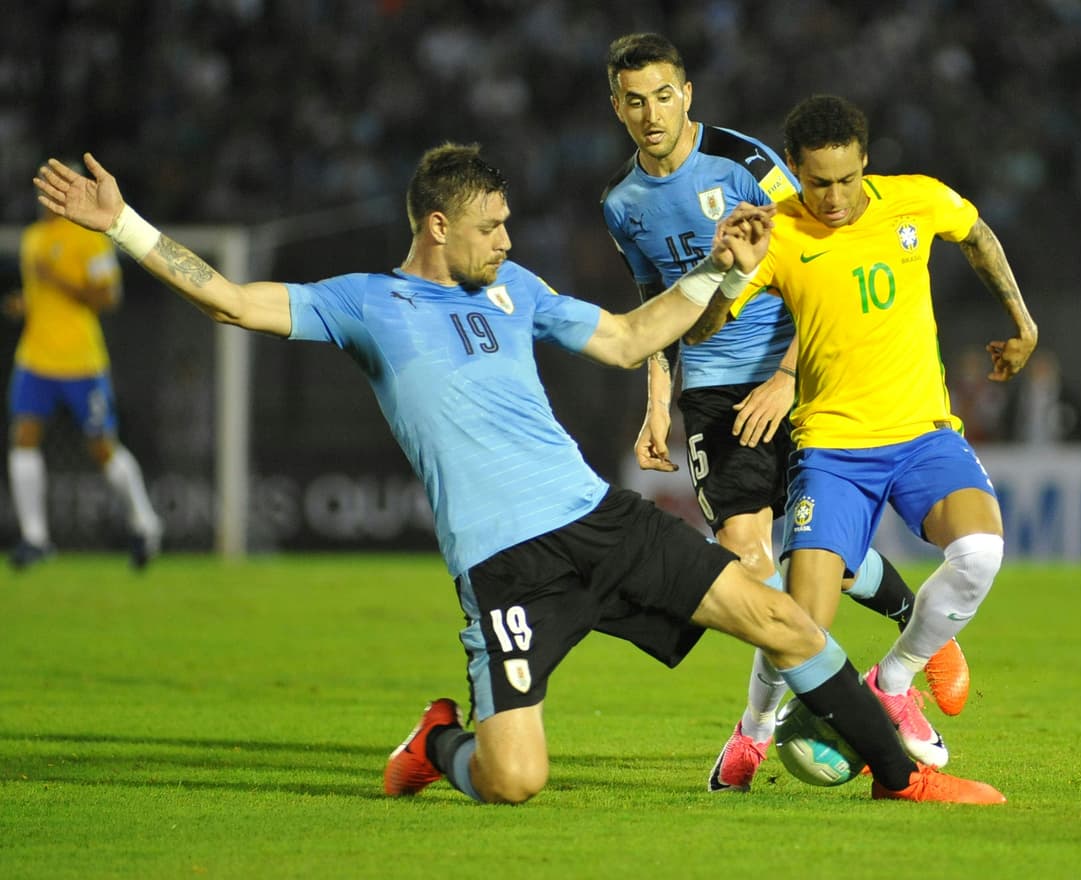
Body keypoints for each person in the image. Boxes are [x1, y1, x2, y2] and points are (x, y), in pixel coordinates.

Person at [36, 147, 1006, 805]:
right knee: (513, 779)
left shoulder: (514, 287)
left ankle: (898, 777)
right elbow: (231, 301)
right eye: (490, 226)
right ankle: (436, 744)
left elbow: (630, 338)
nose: (506, 240)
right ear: (434, 225)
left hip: (599, 520)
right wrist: (120, 222)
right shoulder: (364, 305)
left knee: (784, 617)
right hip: (505, 571)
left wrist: (716, 272)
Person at [600, 33, 968, 792]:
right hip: (709, 391)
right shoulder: (621, 204)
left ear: (687, 93)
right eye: (634, 100)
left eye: (662, 95)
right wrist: (656, 408)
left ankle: (782, 722)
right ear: (617, 107)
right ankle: (803, 704)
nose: (650, 113)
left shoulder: (748, 164)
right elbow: (654, 310)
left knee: (813, 556)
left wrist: (788, 377)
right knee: (754, 563)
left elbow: (822, 262)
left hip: (800, 380)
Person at [688, 95, 1038, 767]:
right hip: (834, 451)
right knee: (801, 623)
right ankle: (754, 733)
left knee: (981, 554)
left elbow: (978, 236)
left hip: (923, 436)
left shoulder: (916, 200)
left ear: (865, 161)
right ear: (793, 168)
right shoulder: (776, 233)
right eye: (819, 182)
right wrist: (725, 269)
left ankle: (895, 679)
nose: (836, 196)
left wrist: (1022, 324)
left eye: (847, 178)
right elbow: (702, 331)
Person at [6, 173, 162, 571]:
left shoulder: (89, 238)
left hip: (80, 362)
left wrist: (58, 281)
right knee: (23, 437)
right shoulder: (33, 239)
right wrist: (28, 303)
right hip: (35, 358)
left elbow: (108, 296)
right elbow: (45, 297)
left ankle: (144, 522)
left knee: (102, 446)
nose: (45, 199)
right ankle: (35, 539)